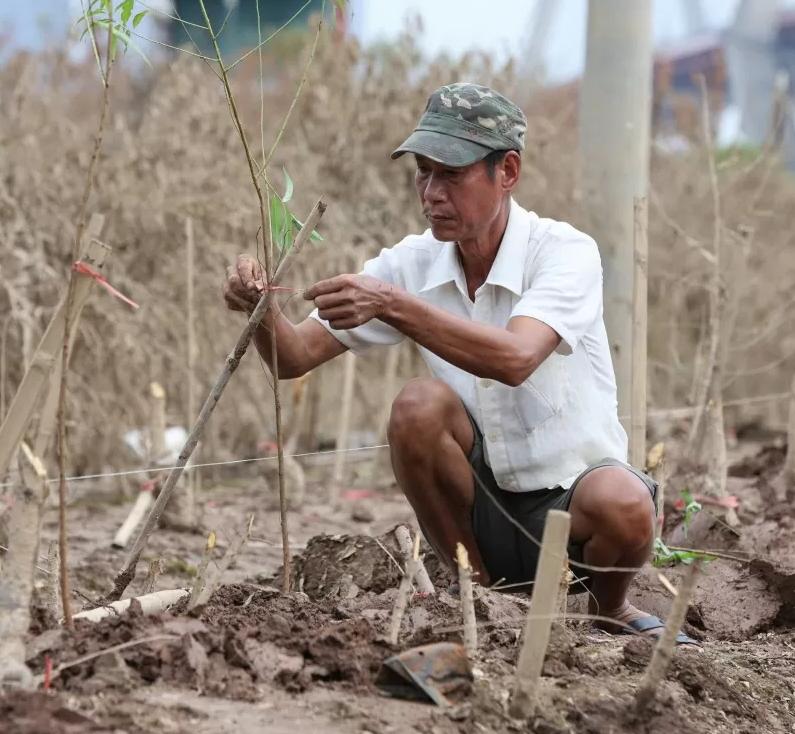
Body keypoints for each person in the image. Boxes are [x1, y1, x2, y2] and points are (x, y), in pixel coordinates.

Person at [222, 82, 696, 646]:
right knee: (418, 406)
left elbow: (518, 358)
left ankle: (607, 608)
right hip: (482, 514)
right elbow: (293, 357)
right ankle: (478, 593)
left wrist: (393, 305)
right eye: (423, 172)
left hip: (575, 507)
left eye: (451, 174)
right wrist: (263, 309)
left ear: (508, 172)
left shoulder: (564, 253)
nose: (431, 192)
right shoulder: (411, 263)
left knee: (624, 501)